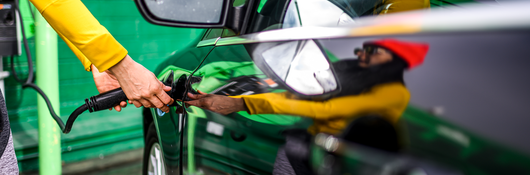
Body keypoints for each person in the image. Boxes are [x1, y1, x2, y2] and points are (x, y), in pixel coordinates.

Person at [184, 39, 429, 174]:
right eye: (362, 48)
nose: (361, 54)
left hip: (343, 162)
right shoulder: (356, 75)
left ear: (395, 61)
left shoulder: (395, 93)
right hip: (306, 150)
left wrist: (241, 103)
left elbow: (328, 109)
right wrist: (239, 102)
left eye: (373, 51)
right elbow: (299, 98)